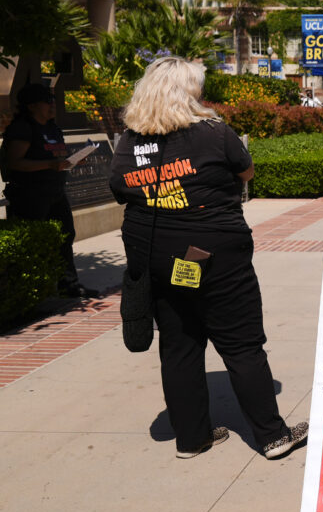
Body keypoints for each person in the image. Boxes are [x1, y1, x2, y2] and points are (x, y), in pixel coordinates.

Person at [108, 57, 306, 460]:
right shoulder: (214, 132)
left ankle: (192, 438)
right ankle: (272, 436)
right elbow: (246, 172)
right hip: (216, 258)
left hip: (158, 258)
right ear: (188, 92)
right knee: (242, 345)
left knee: (179, 346)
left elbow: (119, 187)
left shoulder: (129, 140)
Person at [2, 83, 95, 297]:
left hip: (55, 191)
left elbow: (57, 157)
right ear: (32, 105)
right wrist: (50, 165)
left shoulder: (52, 127)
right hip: (30, 194)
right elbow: (16, 163)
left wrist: (74, 161)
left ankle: (68, 284)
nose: (53, 105)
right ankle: (29, 290)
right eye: (48, 101)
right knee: (33, 240)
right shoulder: (23, 128)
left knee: (65, 234)